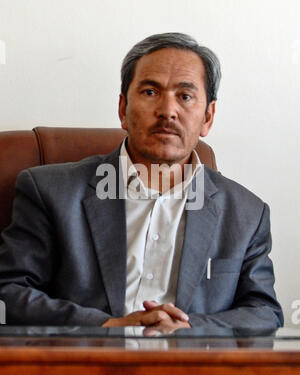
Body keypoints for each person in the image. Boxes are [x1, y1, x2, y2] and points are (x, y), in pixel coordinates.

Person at [0, 33, 283, 332]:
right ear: (123, 109)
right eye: (150, 92)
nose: (167, 111)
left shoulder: (247, 213)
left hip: (193, 372)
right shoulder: (50, 191)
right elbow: (9, 294)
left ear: (208, 118)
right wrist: (108, 325)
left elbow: (263, 312)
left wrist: (188, 330)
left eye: (185, 96)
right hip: (83, 368)